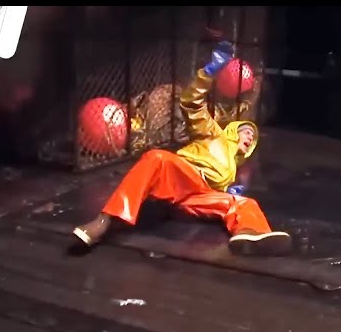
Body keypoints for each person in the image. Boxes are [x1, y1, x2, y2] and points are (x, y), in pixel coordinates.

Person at [72, 41, 292, 256]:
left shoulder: (232, 168)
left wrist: (228, 192)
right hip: (183, 177)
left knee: (244, 203)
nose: (250, 136)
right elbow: (191, 102)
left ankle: (250, 234)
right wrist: (209, 72)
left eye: (252, 137)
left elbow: (217, 190)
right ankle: (105, 221)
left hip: (196, 196)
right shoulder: (213, 133)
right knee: (156, 158)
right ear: (233, 131)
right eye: (246, 131)